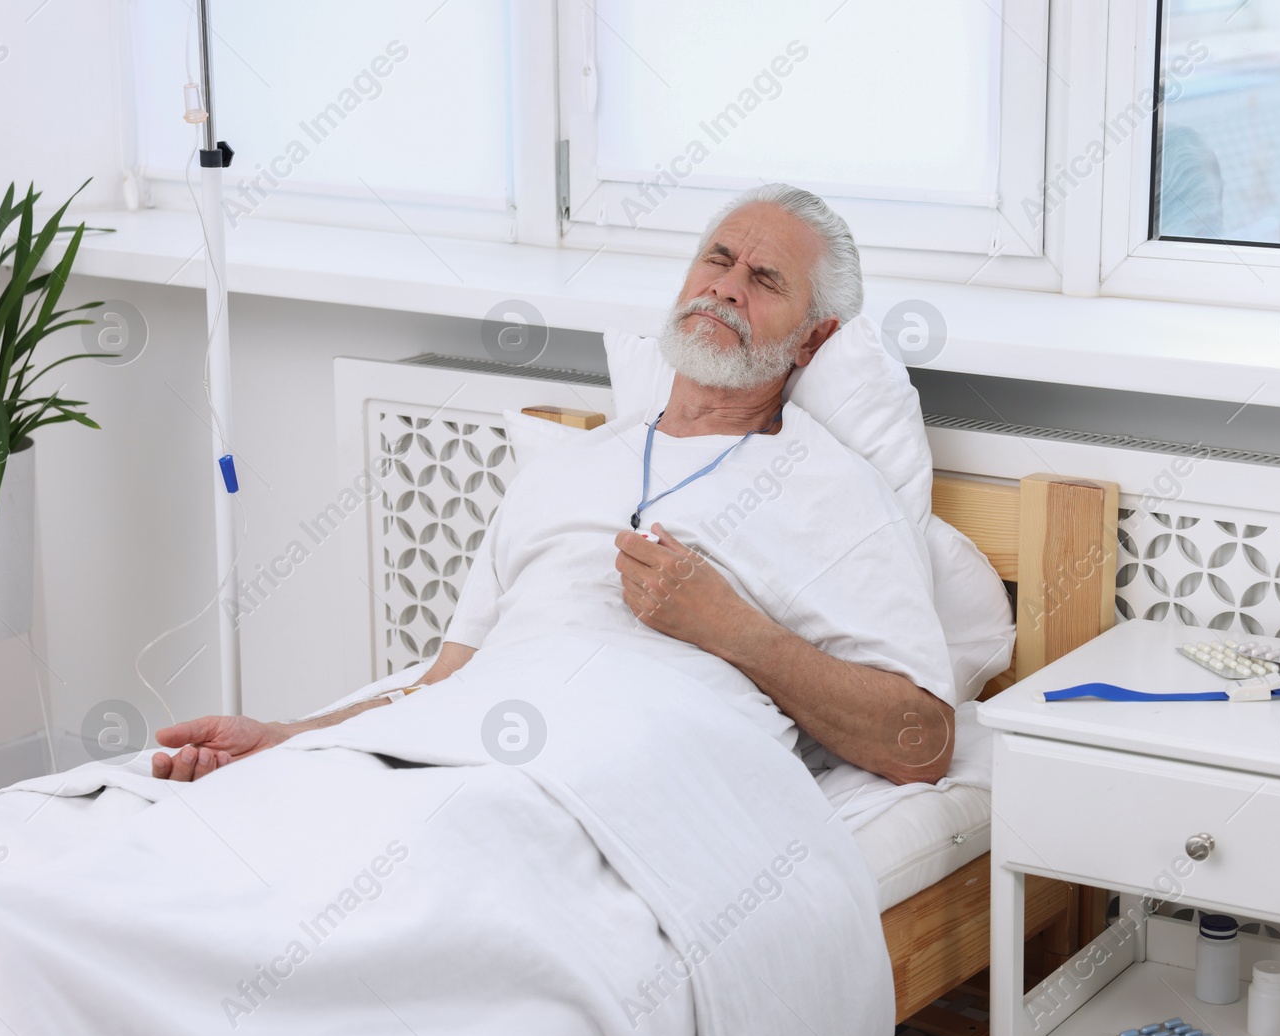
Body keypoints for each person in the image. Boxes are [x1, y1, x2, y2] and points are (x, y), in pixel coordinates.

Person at [152, 183, 957, 788]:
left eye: (766, 279)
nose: (726, 286)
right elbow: (442, 686)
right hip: (472, 747)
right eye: (717, 259)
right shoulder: (564, 470)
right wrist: (291, 736)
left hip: (622, 776)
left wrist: (730, 628)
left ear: (813, 342)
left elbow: (922, 740)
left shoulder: (833, 489)